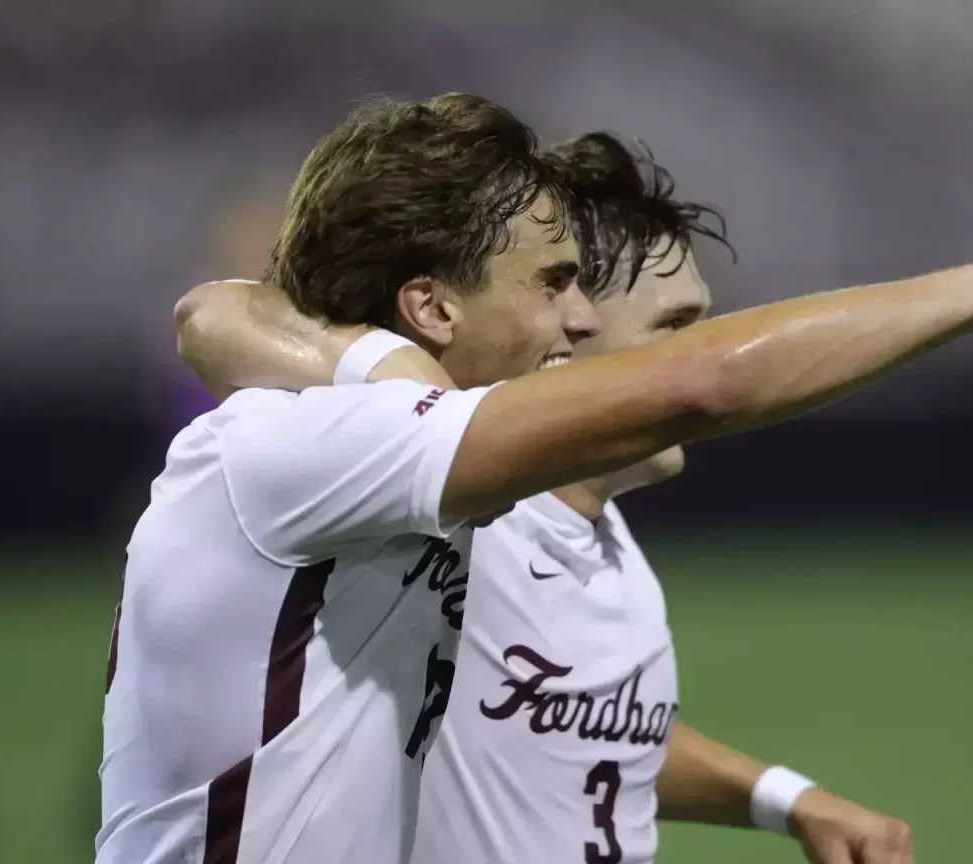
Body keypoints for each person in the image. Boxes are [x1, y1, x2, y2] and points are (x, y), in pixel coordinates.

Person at [104, 88, 973, 864]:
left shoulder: (411, 464)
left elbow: (222, 310)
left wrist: (786, 798)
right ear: (433, 304)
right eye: (552, 283)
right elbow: (700, 387)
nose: (580, 320)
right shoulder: (323, 448)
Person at [176, 132, 920, 864]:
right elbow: (215, 314)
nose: (699, 353)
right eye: (674, 329)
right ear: (571, 335)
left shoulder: (602, 538)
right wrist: (396, 370)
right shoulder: (451, 513)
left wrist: (784, 798)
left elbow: (572, 743)